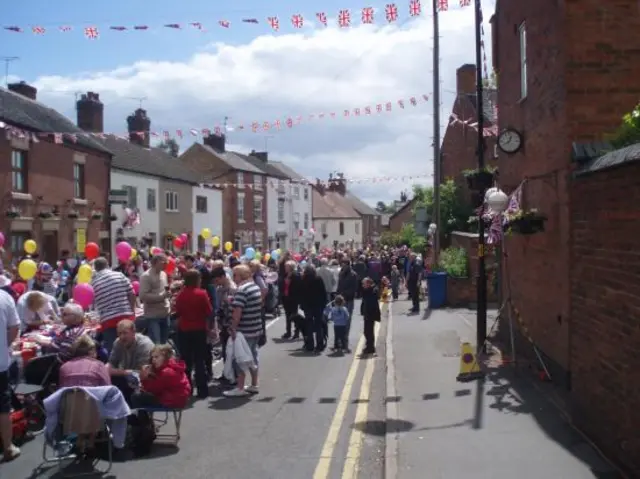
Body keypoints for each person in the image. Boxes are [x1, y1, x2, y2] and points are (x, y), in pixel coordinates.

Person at [223, 265, 263, 398]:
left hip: (244, 330)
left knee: (241, 358)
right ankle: (254, 384)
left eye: (235, 275)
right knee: (253, 356)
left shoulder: (242, 290)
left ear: (241, 276)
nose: (233, 277)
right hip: (255, 328)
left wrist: (233, 327)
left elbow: (237, 312)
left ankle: (240, 387)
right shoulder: (254, 286)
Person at [174, 269, 212, 399]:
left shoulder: (181, 294)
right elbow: (208, 312)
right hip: (199, 329)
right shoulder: (202, 294)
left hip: (184, 329)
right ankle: (202, 390)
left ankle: (187, 388)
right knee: (199, 360)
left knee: (186, 360)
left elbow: (177, 310)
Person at [91, 257, 136, 351]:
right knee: (131, 347)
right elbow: (132, 293)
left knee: (113, 351)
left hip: (108, 320)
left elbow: (92, 304)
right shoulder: (119, 275)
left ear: (95, 269)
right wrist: (132, 311)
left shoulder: (93, 283)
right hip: (126, 316)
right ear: (107, 265)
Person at [107, 320, 154, 403]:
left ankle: (132, 413)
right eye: (119, 333)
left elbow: (143, 373)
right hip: (129, 377)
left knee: (122, 382)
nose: (121, 336)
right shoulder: (118, 342)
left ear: (133, 332)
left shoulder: (144, 344)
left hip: (148, 380)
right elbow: (111, 363)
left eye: (125, 333)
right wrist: (104, 370)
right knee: (109, 381)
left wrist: (121, 372)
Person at [133, 344, 191, 410]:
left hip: (172, 400)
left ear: (165, 357)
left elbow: (153, 390)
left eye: (156, 357)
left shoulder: (166, 372)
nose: (153, 360)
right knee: (139, 394)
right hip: (178, 398)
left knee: (136, 396)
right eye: (152, 357)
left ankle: (141, 419)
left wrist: (143, 378)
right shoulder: (172, 366)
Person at [0, 289, 21, 461]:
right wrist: (4, 345)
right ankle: (7, 447)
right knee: (3, 406)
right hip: (0, 362)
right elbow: (14, 328)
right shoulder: (5, 297)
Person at [211, 266, 236, 384]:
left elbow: (233, 308)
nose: (216, 283)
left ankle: (232, 375)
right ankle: (226, 373)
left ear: (222, 277)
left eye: (217, 280)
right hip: (223, 322)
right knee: (225, 349)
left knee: (231, 350)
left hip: (229, 322)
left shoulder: (232, 289)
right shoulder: (220, 289)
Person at [139, 255, 171, 344]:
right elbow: (143, 296)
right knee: (156, 344)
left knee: (164, 343)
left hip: (165, 313)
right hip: (153, 316)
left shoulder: (163, 274)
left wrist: (168, 293)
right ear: (156, 262)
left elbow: (164, 290)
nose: (166, 264)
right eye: (163, 262)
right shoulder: (146, 276)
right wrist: (161, 296)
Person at [299, 264, 327, 352]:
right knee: (318, 325)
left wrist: (302, 305)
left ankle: (310, 345)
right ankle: (320, 345)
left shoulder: (303, 280)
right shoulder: (318, 279)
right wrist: (324, 304)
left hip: (308, 306)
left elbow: (301, 295)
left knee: (309, 325)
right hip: (318, 305)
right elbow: (323, 293)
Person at [337, 260, 358, 346]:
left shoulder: (353, 274)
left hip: (349, 300)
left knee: (347, 319)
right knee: (339, 319)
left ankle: (345, 338)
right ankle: (340, 338)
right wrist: (338, 294)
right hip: (340, 300)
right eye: (342, 265)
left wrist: (344, 293)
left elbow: (354, 288)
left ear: (348, 265)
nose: (343, 267)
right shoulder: (341, 273)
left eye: (344, 265)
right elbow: (339, 285)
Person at [280, 260, 302, 340]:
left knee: (294, 315)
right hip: (285, 297)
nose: (285, 268)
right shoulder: (285, 275)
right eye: (285, 266)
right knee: (287, 315)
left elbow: (298, 287)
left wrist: (289, 283)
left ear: (291, 267)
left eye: (287, 266)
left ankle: (297, 332)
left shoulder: (296, 275)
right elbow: (281, 284)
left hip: (293, 298)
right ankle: (288, 332)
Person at [360, 278, 381, 356]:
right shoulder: (368, 290)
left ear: (368, 284)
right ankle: (369, 346)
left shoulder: (372, 291)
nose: (363, 285)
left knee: (368, 331)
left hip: (370, 314)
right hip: (367, 313)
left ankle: (370, 348)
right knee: (367, 331)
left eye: (364, 284)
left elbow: (370, 302)